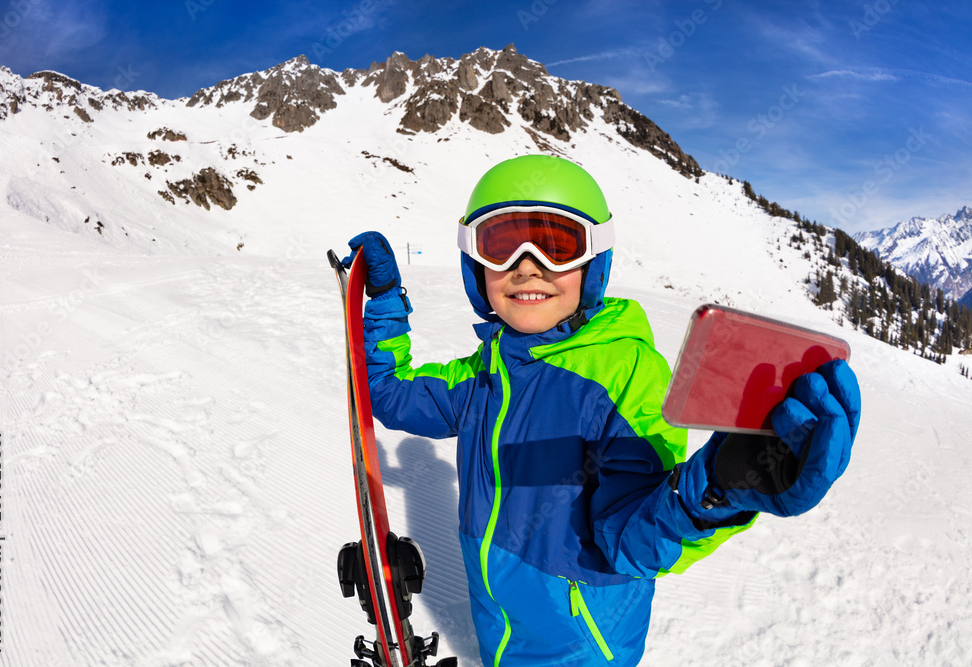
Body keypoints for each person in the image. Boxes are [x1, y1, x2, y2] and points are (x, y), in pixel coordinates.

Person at [342, 155, 861, 666]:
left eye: (556, 245)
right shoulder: (487, 371)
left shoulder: (625, 375)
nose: (526, 265)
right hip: (500, 637)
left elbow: (631, 538)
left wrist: (718, 485)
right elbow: (388, 392)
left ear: (593, 265)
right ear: (475, 267)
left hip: (581, 650)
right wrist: (385, 301)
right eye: (500, 244)